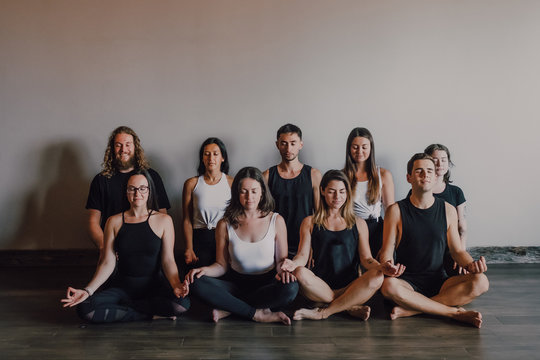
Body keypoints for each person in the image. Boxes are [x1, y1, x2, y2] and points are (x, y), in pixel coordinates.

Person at [61, 170, 190, 322]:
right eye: (132, 188)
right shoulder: (113, 221)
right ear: (126, 192)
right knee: (85, 308)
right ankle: (147, 314)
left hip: (154, 287)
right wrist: (87, 290)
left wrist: (176, 284)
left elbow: (168, 260)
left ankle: (127, 308)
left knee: (181, 304)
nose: (137, 193)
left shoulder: (164, 220)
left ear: (149, 191)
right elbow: (108, 262)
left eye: (142, 188)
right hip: (122, 288)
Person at [379, 153, 489, 328]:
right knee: (388, 286)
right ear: (409, 177)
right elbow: (387, 249)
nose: (425, 175)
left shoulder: (448, 210)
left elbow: (457, 251)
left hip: (440, 281)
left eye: (429, 171)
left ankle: (415, 309)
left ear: (436, 175)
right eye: (419, 171)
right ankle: (453, 312)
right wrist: (387, 265)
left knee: (482, 281)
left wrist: (471, 265)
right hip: (407, 282)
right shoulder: (396, 210)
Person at [184, 167, 299, 325]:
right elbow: (221, 265)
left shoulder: (276, 220)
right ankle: (256, 313)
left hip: (266, 286)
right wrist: (204, 270)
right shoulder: (224, 224)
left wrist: (285, 272)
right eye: (244, 191)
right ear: (237, 193)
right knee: (195, 281)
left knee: (291, 287)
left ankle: (231, 308)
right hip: (235, 287)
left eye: (253, 191)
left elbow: (281, 261)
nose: (249, 196)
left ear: (262, 192)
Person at [281, 170, 394, 321]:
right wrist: (292, 264)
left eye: (342, 191)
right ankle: (347, 306)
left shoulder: (359, 223)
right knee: (300, 272)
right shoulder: (310, 222)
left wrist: (382, 267)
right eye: (331, 192)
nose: (337, 197)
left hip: (351, 286)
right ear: (322, 191)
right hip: (319, 287)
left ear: (347, 193)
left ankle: (324, 311)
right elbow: (302, 256)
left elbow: (366, 259)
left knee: (378, 277)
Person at [86, 126, 170, 254]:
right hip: (114, 248)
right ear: (112, 149)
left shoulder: (152, 177)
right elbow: (93, 222)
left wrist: (162, 250)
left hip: (148, 248)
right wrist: (106, 249)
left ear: (135, 147)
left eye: (128, 144)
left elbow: (163, 215)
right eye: (118, 145)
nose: (123, 149)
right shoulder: (101, 180)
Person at [263, 124, 322, 258]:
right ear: (277, 144)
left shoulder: (314, 175)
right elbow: (262, 214)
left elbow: (319, 215)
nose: (288, 148)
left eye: (293, 143)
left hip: (305, 243)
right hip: (275, 243)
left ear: (300, 145)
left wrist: (314, 244)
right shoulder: (267, 176)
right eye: (284, 143)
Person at [344, 127, 394, 259]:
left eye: (364, 147)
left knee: (378, 270)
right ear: (349, 148)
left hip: (376, 228)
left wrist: (387, 245)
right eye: (355, 147)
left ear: (371, 148)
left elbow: (390, 212)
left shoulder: (383, 175)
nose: (359, 151)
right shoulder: (342, 175)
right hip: (351, 229)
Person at [182, 138, 233, 268]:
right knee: (199, 279)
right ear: (202, 158)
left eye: (215, 154)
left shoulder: (232, 183)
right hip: (200, 238)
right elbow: (187, 219)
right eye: (207, 154)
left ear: (223, 158)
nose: (211, 158)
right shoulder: (191, 184)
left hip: (225, 238)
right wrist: (189, 248)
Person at [425, 144, 467, 276]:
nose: (439, 164)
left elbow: (462, 228)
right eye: (434, 159)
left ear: (448, 163)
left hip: (451, 249)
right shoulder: (419, 190)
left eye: (443, 160)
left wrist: (461, 255)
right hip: (426, 250)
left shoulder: (456, 192)